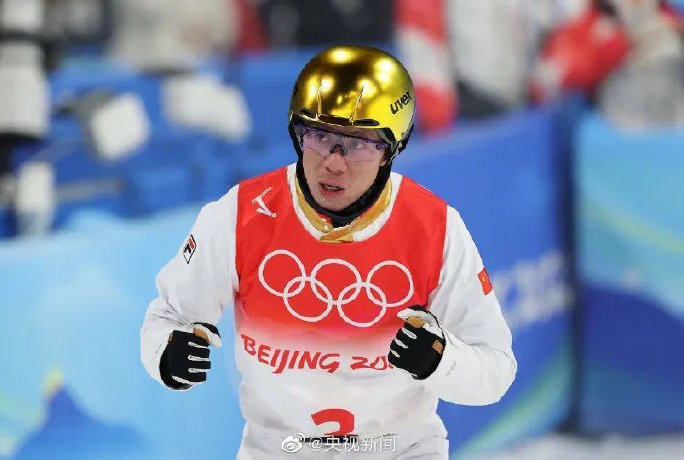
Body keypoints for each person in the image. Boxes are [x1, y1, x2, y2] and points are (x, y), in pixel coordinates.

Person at [140, 45, 516, 459]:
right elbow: (168, 316)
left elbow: (496, 369)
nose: (333, 164)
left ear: (392, 149)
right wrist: (167, 355)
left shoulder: (436, 227)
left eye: (359, 144)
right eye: (319, 136)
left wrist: (440, 361)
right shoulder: (241, 214)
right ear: (296, 133)